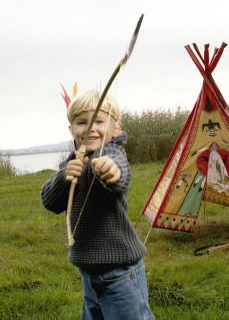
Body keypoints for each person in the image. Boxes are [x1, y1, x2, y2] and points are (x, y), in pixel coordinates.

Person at [41, 90, 154, 320]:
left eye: (99, 121)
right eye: (82, 122)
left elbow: (119, 174)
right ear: (71, 129)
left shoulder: (111, 152)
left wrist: (109, 170)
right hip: (89, 273)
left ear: (116, 128)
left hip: (120, 273)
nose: (91, 128)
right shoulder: (73, 160)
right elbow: (49, 201)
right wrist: (65, 176)